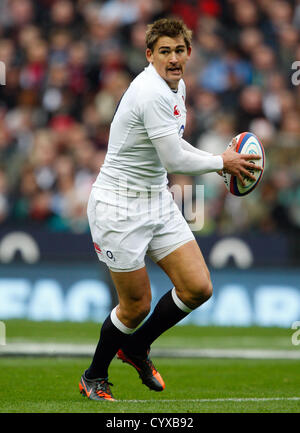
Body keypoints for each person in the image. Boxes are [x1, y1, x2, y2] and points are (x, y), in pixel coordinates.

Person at [79, 18, 262, 401]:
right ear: (149, 55)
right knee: (135, 306)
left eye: (179, 50)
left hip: (155, 198)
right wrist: (222, 161)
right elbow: (174, 156)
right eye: (164, 51)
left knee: (198, 287)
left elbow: (172, 155)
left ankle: (135, 348)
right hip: (118, 205)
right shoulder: (149, 92)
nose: (173, 58)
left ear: (189, 53)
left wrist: (219, 160)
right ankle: (94, 376)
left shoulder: (176, 86)